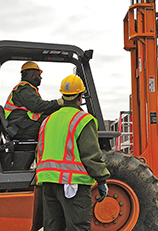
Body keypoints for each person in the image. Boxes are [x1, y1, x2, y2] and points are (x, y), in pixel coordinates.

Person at [36, 75, 110, 231]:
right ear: (80, 97)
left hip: (48, 182)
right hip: (71, 184)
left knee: (53, 227)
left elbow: (40, 152)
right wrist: (102, 179)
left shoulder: (47, 120)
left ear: (63, 96)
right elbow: (91, 155)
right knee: (77, 227)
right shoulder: (82, 119)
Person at [4, 61, 62, 140]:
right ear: (32, 76)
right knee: (57, 125)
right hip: (22, 127)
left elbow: (40, 109)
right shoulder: (24, 88)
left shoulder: (28, 88)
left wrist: (56, 109)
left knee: (54, 118)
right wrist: (58, 103)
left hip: (24, 124)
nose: (41, 78)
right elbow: (36, 106)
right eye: (39, 75)